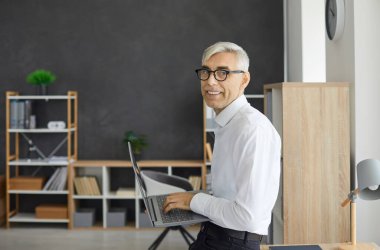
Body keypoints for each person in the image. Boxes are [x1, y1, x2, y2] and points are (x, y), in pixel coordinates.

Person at [163, 41, 281, 250]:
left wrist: (194, 201)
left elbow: (247, 217)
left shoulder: (252, 129)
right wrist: (190, 199)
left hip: (232, 244)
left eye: (223, 73)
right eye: (206, 72)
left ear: (244, 79)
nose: (210, 82)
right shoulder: (229, 123)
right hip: (213, 234)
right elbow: (228, 194)